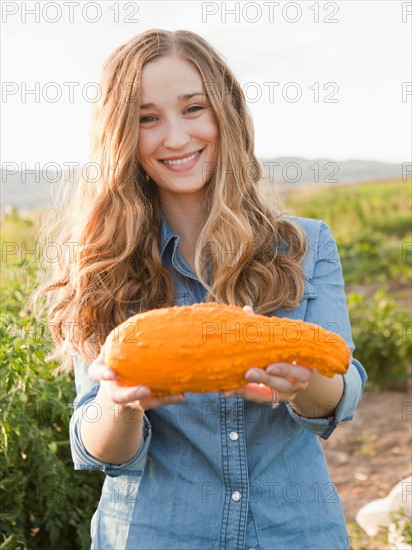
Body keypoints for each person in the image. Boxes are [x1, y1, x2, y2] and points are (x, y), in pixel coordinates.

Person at [34, 28, 367, 549]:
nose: (175, 136)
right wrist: (120, 404)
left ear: (225, 113)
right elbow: (101, 451)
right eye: (147, 118)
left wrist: (301, 382)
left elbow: (340, 391)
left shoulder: (303, 245)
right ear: (121, 133)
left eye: (193, 108)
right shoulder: (99, 265)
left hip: (293, 534)